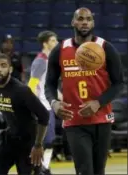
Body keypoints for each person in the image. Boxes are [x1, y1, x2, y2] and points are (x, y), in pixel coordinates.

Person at [45, 8, 124, 175]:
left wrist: (98, 102)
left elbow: (118, 84)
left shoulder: (104, 47)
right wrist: (54, 102)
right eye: (80, 19)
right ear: (73, 22)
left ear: (93, 23)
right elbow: (49, 85)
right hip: (74, 120)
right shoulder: (60, 49)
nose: (84, 22)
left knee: (98, 170)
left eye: (88, 19)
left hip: (102, 119)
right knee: (85, 170)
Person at [28, 31, 59, 174]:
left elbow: (49, 87)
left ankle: (44, 168)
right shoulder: (40, 61)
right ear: (45, 43)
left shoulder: (49, 61)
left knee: (50, 141)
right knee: (44, 141)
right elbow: (32, 86)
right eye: (53, 40)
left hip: (49, 106)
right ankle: (40, 168)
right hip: (42, 108)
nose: (56, 43)